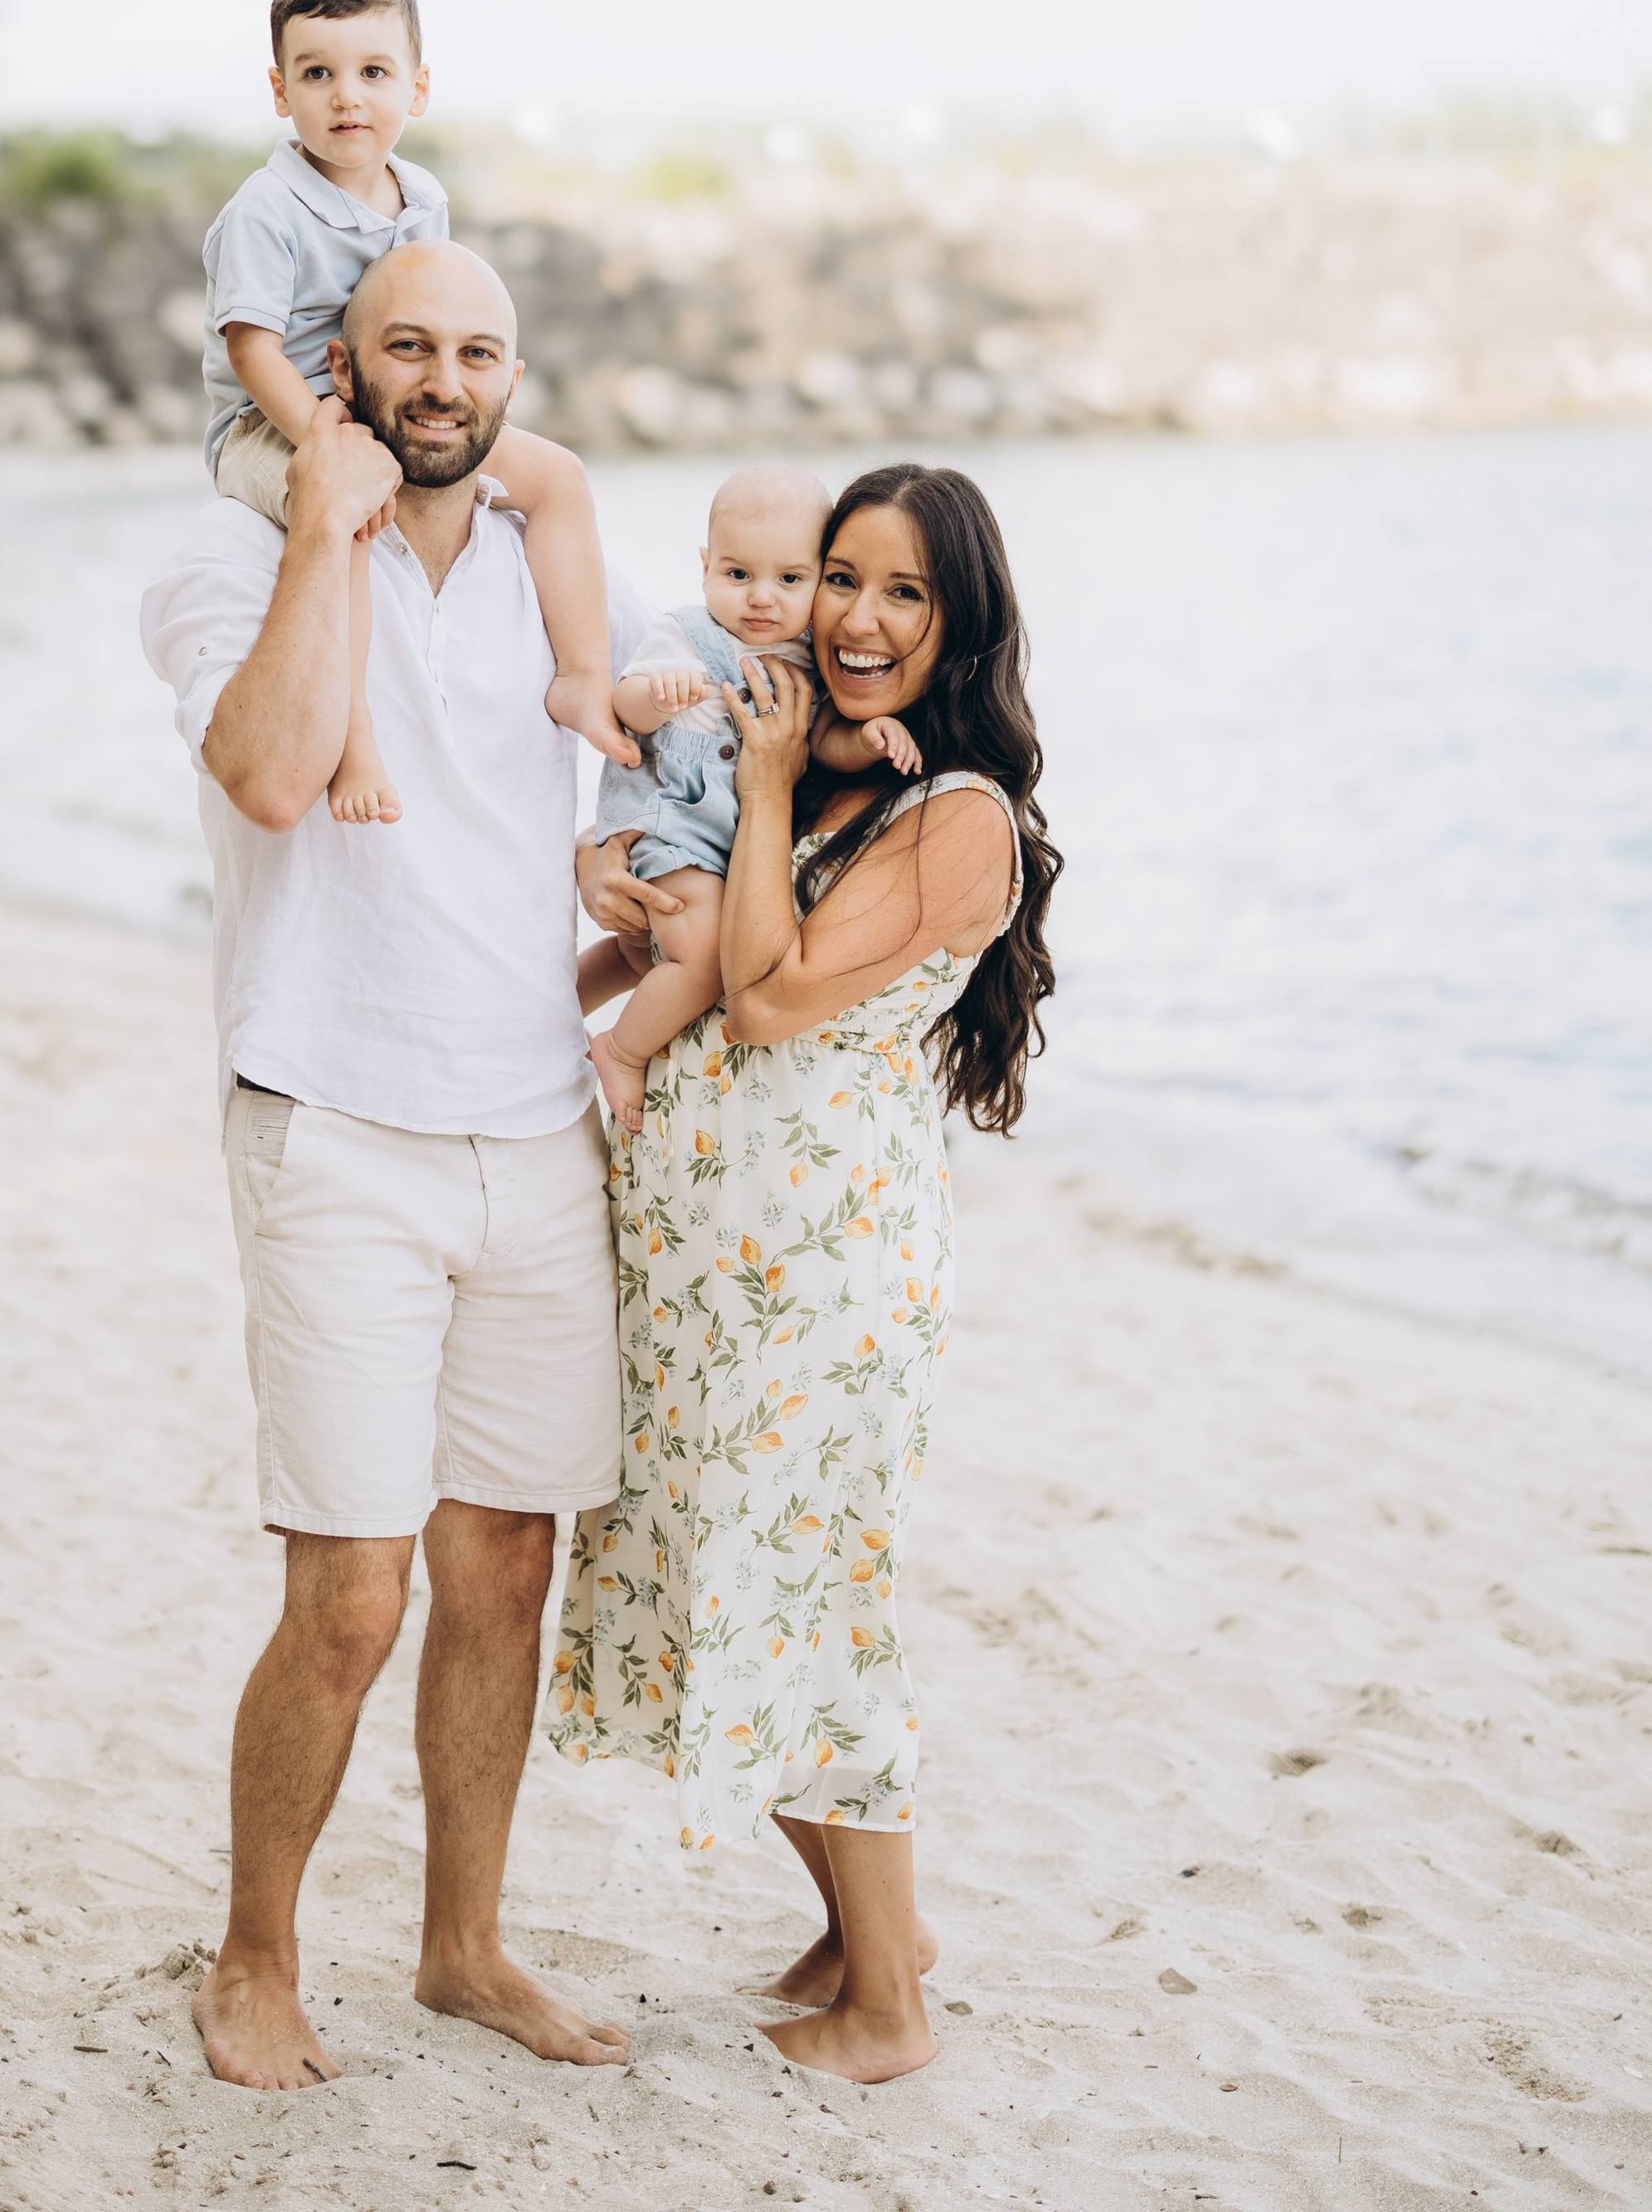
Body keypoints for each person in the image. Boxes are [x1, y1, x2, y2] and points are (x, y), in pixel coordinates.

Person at [140, 238, 651, 2093]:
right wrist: (317, 534)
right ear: (334, 369)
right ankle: (252, 1957)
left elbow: (676, 753)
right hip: (331, 1119)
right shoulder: (220, 556)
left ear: (514, 375)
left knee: (501, 1568)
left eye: (478, 349)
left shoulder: (554, 569)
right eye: (405, 348)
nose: (445, 378)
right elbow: (275, 776)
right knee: (349, 1593)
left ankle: (460, 1948)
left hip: (532, 1126)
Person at [550, 464, 1060, 2085]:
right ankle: (867, 1932)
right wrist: (626, 899)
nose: (851, 617)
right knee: (727, 1594)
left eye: (902, 594)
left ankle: (890, 2014)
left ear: (956, 619)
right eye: (841, 576)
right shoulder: (824, 771)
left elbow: (764, 1000)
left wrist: (763, 782)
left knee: (806, 1609)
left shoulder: (954, 812)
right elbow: (695, 949)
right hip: (718, 1261)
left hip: (822, 1276)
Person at [199, 0, 635, 824]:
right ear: (281, 92)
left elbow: (434, 303)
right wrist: (330, 446)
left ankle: (583, 677)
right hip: (270, 420)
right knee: (351, 523)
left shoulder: (420, 196)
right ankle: (355, 738)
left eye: (372, 72)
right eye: (316, 74)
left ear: (418, 88)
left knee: (559, 479)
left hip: (373, 402)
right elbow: (252, 350)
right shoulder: (265, 210)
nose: (346, 96)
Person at [576, 463, 919, 1134]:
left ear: (818, 579)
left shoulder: (806, 662)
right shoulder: (686, 635)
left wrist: (870, 738)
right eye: (738, 575)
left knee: (639, 949)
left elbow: (819, 739)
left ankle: (554, 1007)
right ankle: (619, 1049)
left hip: (720, 845)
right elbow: (623, 704)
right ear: (706, 566)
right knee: (700, 956)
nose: (761, 598)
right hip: (671, 819)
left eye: (790, 580)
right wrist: (657, 694)